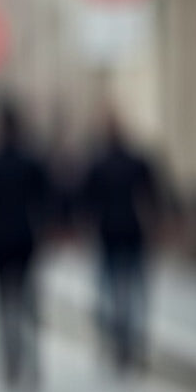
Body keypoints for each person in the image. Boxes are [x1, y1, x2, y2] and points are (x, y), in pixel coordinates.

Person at [0, 99, 51, 392]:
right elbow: (46, 200)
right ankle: (31, 364)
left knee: (2, 305)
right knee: (27, 305)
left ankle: (8, 364)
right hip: (26, 239)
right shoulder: (31, 161)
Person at [78, 112, 161, 374]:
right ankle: (132, 342)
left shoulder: (98, 163)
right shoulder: (136, 161)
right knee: (134, 291)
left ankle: (113, 340)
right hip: (132, 232)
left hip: (108, 234)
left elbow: (86, 202)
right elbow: (154, 194)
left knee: (109, 290)